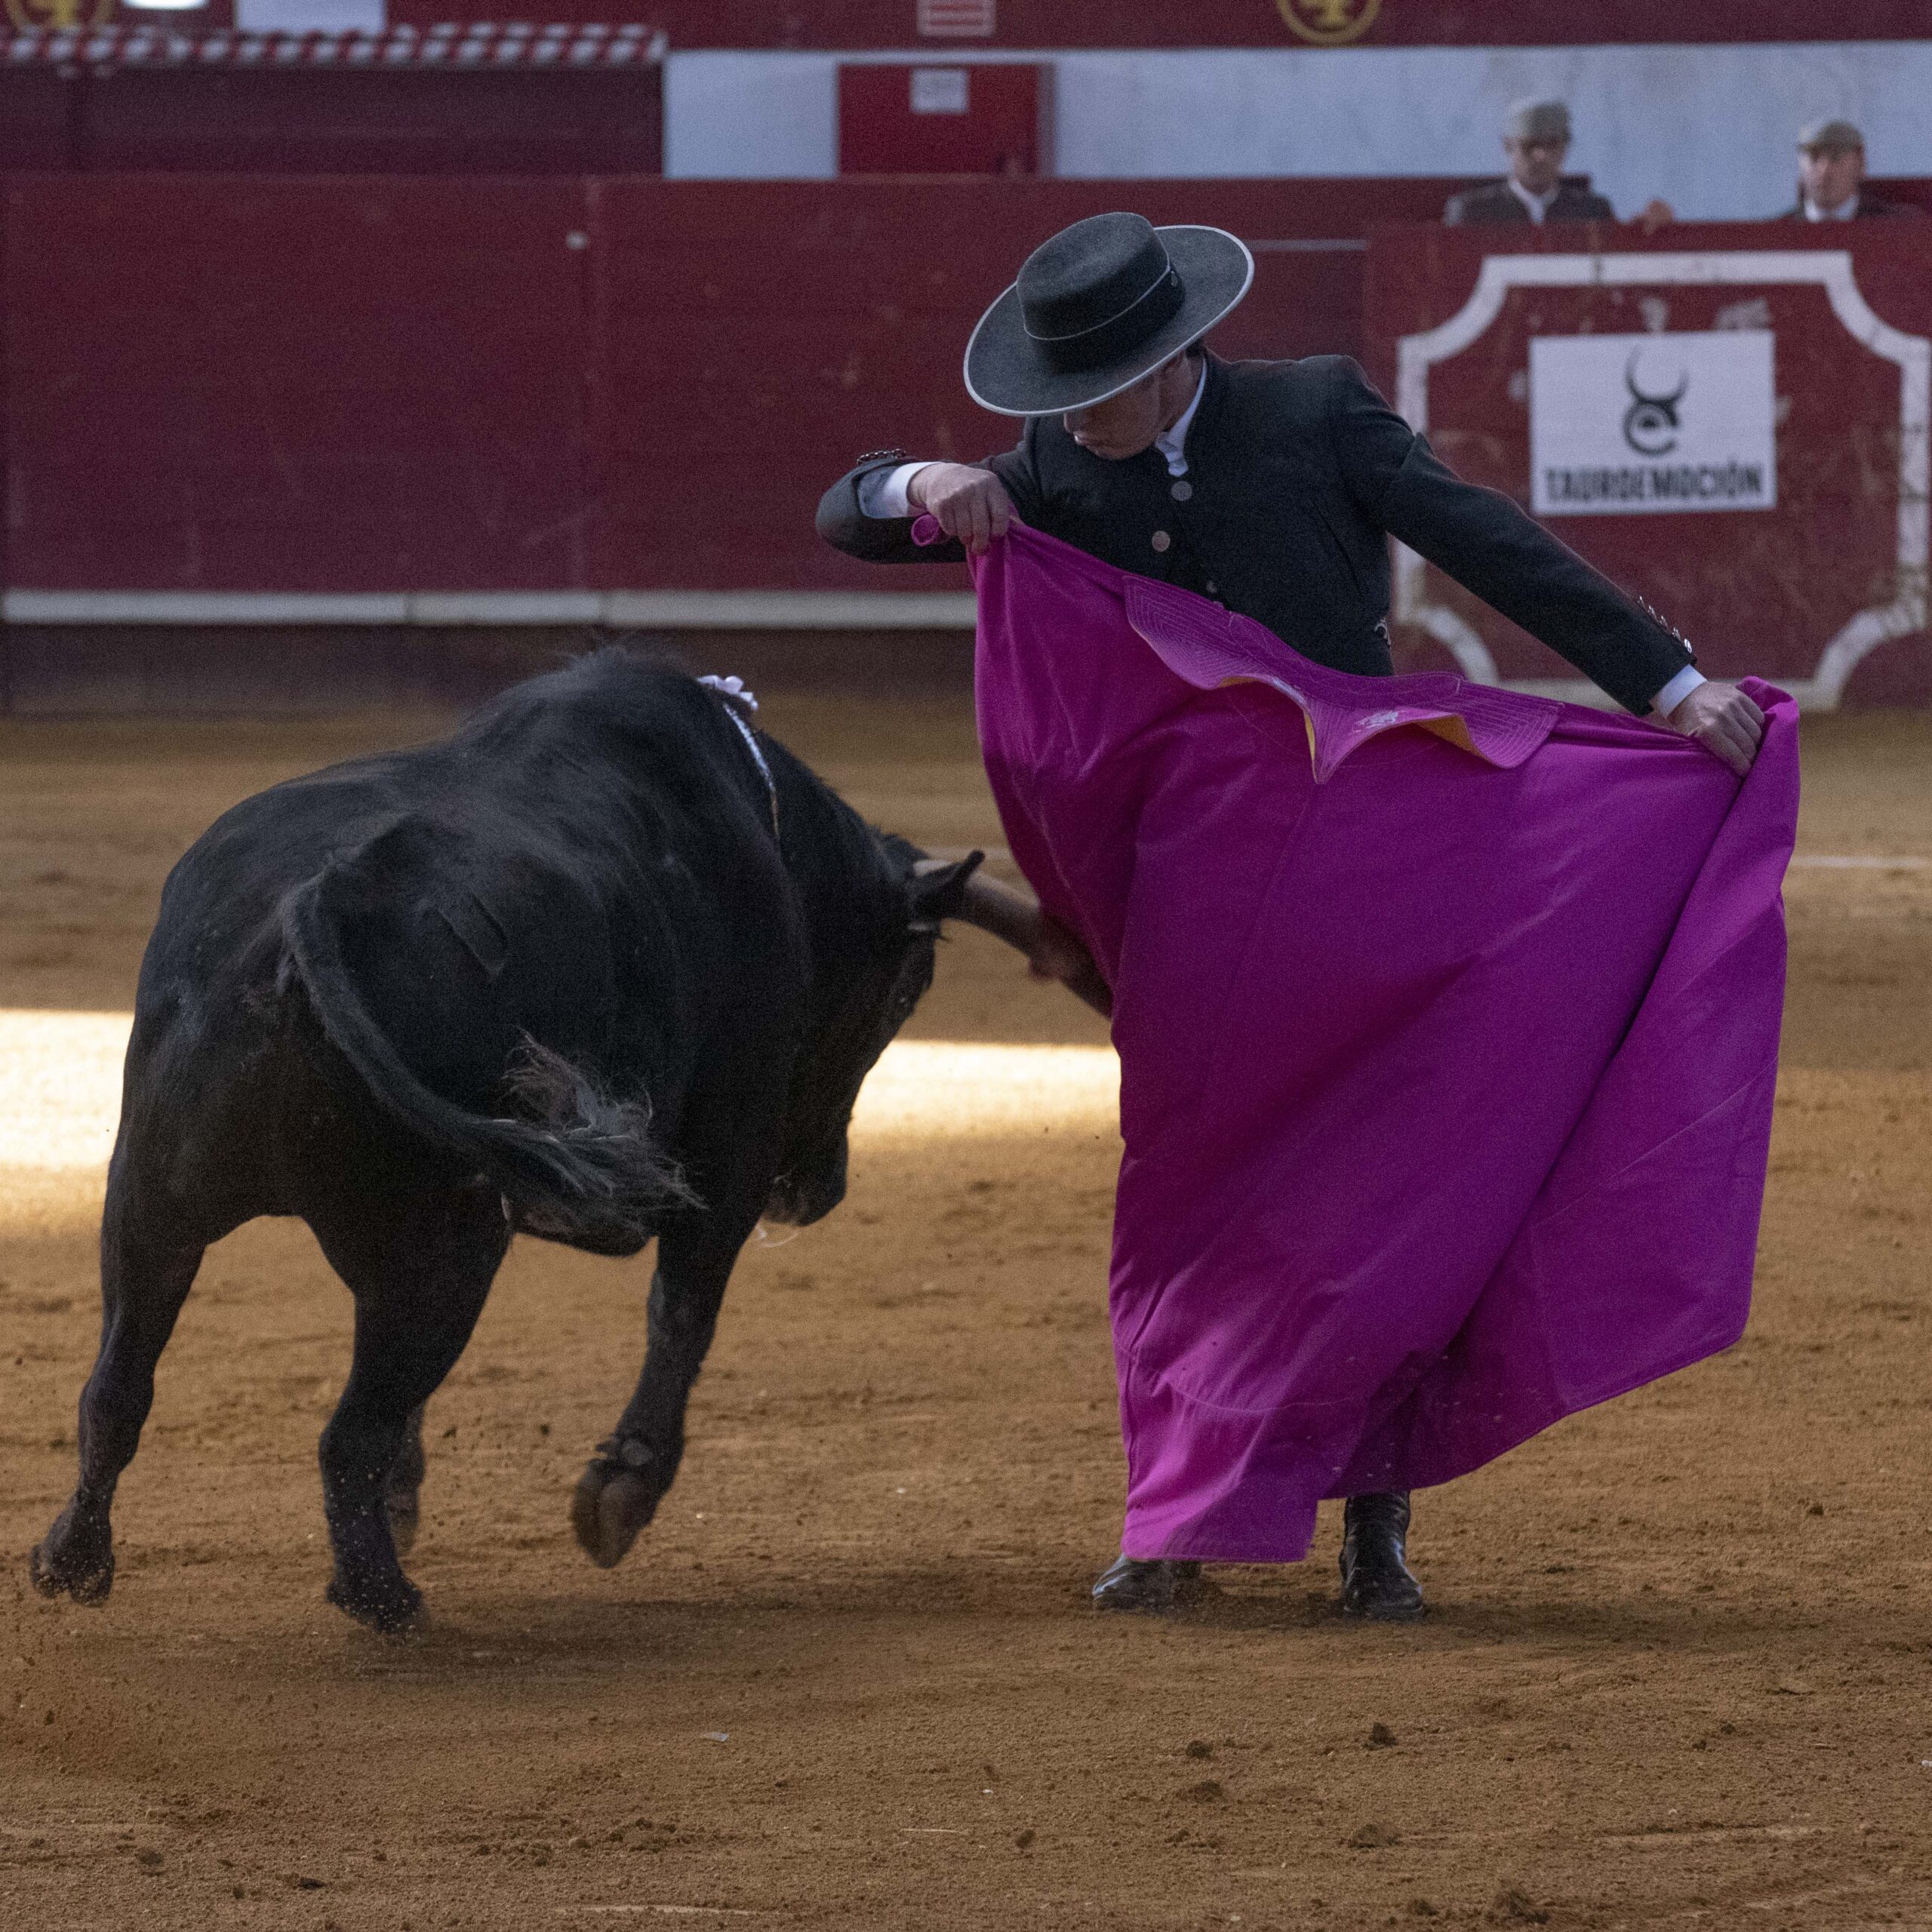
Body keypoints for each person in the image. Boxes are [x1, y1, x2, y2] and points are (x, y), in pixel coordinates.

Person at [815, 211, 1765, 1621]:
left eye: (1103, 395)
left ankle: (1373, 1526)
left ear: (1177, 354)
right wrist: (922, 478)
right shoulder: (1052, 473)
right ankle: (1178, 1516)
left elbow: (1486, 543)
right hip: (1203, 905)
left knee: (1391, 1190)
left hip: (1380, 859)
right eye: (1057, 406)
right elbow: (845, 510)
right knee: (1195, 1191)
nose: (1080, 426)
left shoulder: (1313, 413)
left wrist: (1668, 688)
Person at [1443, 99, 1623, 225]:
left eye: (1551, 144)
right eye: (1529, 145)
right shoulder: (1474, 212)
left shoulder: (1592, 212)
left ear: (1564, 148)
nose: (1540, 155)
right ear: (1508, 146)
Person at [1778, 119, 1921, 221]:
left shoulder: (1900, 228)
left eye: (1836, 157)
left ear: (1860, 164)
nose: (1824, 170)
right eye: (1814, 158)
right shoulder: (1776, 236)